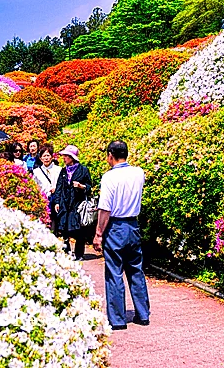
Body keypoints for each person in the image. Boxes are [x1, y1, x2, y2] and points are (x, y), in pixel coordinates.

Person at [93, 140, 150, 331]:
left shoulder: (109, 177)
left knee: (114, 272)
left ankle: (118, 319)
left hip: (115, 226)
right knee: (136, 269)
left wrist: (99, 233)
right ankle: (143, 314)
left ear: (110, 154)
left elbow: (105, 208)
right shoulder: (138, 172)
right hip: (133, 224)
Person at [53, 145, 92, 261]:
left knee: (78, 229)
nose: (63, 158)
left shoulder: (83, 170)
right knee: (64, 227)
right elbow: (59, 187)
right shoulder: (63, 171)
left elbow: (90, 186)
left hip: (77, 204)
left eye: (66, 156)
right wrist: (57, 202)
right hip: (65, 203)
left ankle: (79, 254)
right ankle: (67, 251)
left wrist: (81, 186)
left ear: (72, 157)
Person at [32, 145, 62, 228]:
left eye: (48, 155)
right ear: (40, 158)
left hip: (56, 198)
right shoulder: (36, 171)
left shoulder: (59, 169)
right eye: (44, 156)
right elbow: (35, 185)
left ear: (52, 157)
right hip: (44, 199)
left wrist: (56, 189)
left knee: (55, 220)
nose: (46, 158)